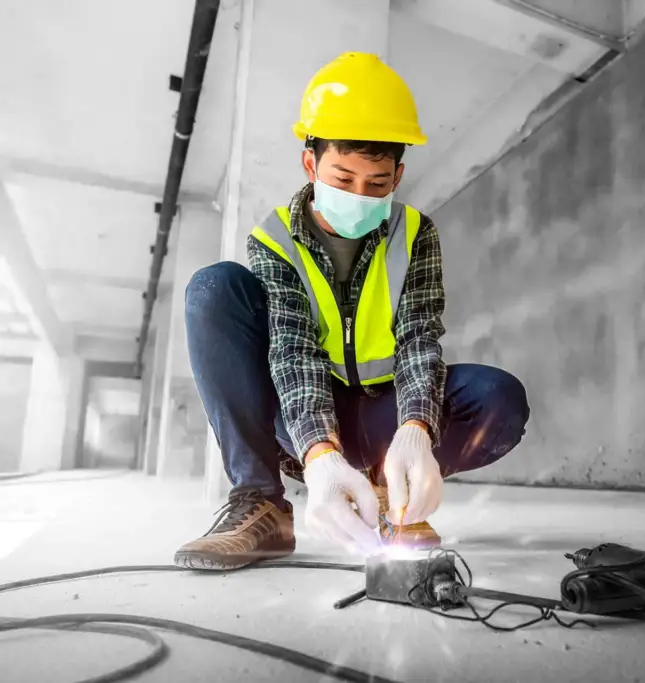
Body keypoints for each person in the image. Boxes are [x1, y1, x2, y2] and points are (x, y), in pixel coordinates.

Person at [174, 52, 530, 571]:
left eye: (377, 184)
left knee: (499, 398)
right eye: (342, 179)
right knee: (213, 290)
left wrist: (416, 430)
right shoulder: (274, 240)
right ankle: (261, 504)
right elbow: (293, 351)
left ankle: (394, 491)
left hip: (385, 410)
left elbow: (417, 339)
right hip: (303, 423)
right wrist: (319, 457)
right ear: (310, 163)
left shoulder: (415, 234)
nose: (360, 197)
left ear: (398, 176)